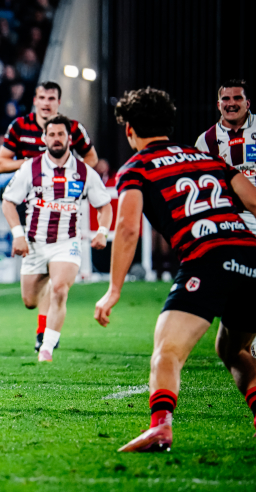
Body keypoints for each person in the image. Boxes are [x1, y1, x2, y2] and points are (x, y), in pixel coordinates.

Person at [94, 87, 256, 452]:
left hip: (208, 259)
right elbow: (254, 200)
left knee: (167, 351)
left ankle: (160, 428)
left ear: (129, 130)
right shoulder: (208, 159)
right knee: (233, 352)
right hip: (249, 254)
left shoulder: (136, 167)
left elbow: (128, 227)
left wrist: (114, 289)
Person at [0, 80, 99, 352]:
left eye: (51, 98)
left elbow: (92, 159)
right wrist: (33, 166)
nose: (46, 103)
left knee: (58, 282)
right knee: (30, 298)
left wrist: (68, 178)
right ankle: (48, 302)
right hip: (30, 203)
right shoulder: (19, 127)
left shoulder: (73, 128)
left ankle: (45, 334)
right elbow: (0, 163)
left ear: (58, 102)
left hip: (63, 208)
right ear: (35, 100)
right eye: (41, 97)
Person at [195, 80, 256, 232]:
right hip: (228, 220)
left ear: (247, 103)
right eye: (226, 99)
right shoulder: (206, 140)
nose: (231, 103)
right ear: (218, 105)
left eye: (237, 98)